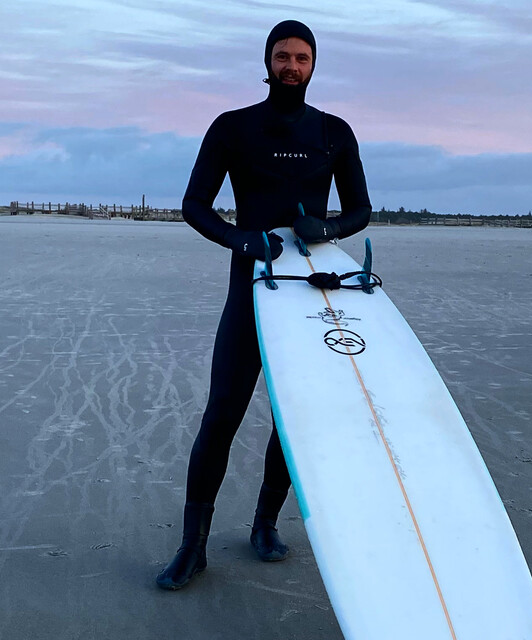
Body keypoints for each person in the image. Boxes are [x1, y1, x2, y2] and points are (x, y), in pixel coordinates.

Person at [156, 19, 372, 590]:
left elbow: (361, 212)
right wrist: (240, 238)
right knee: (222, 413)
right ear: (267, 61)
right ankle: (192, 547)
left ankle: (265, 525)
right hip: (251, 287)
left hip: (311, 290)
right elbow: (195, 205)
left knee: (290, 419)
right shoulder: (233, 128)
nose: (292, 66)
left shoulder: (334, 133)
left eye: (302, 58)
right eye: (283, 56)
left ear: (313, 65)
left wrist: (322, 226)